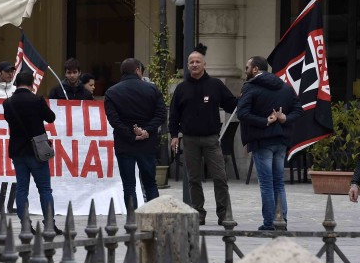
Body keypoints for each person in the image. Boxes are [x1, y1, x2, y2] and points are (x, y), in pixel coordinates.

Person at [169, 45, 238, 225]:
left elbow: (231, 105)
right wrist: (174, 135)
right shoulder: (181, 88)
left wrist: (244, 98)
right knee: (193, 179)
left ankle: (224, 214)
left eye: (197, 62)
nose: (194, 64)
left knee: (220, 177)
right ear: (187, 65)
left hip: (211, 139)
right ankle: (198, 213)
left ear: (204, 64)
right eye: (191, 62)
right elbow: (174, 114)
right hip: (189, 139)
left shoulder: (215, 85)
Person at [237, 56, 304, 231]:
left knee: (266, 183)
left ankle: (269, 223)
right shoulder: (285, 87)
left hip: (262, 141)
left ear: (255, 69)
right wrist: (285, 118)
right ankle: (281, 220)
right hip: (281, 141)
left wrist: (265, 121)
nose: (245, 70)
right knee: (278, 182)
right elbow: (298, 110)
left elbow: (242, 113)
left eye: (247, 67)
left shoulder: (250, 87)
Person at [3, 71, 61, 234]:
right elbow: (50, 118)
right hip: (37, 151)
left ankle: (25, 224)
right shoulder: (37, 100)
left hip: (17, 151)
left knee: (22, 189)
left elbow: (8, 120)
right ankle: (49, 223)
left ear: (16, 84)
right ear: (32, 84)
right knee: (45, 189)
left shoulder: (8, 103)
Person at [104, 58, 166, 210]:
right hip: (147, 143)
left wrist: (131, 135)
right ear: (138, 70)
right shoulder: (152, 89)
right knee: (150, 183)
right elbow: (161, 114)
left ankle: (132, 219)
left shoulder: (112, 92)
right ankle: (153, 217)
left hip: (125, 143)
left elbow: (114, 120)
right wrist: (147, 130)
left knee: (129, 185)